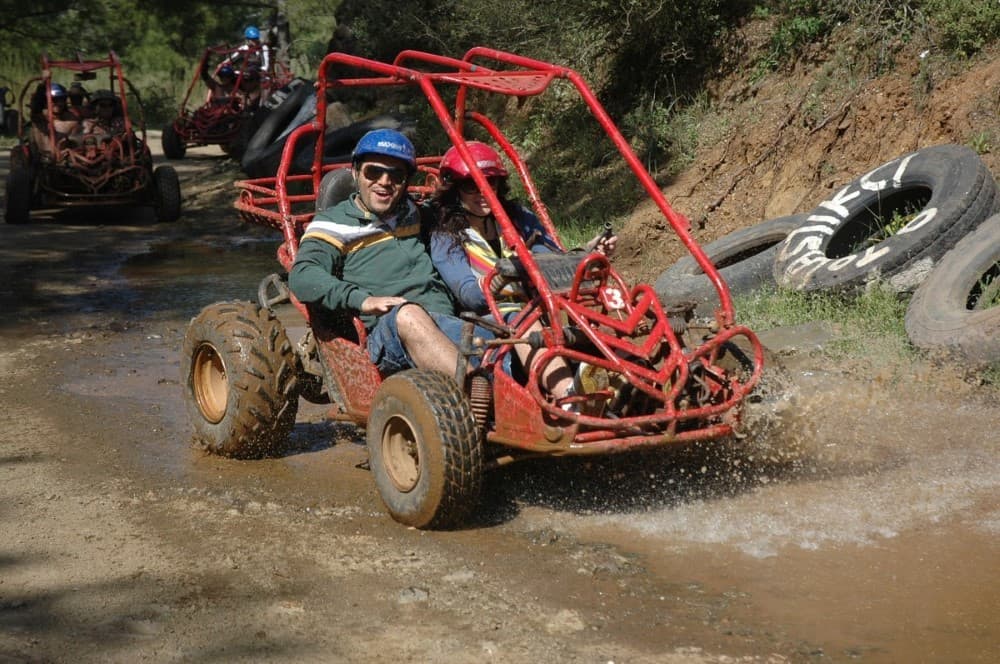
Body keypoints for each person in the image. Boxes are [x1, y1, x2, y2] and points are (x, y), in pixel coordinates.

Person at [288, 129, 492, 379]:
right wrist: (363, 300)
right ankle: (476, 396)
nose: (384, 181)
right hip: (389, 335)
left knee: (521, 327)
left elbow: (470, 210)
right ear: (355, 172)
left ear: (406, 181)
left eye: (395, 175)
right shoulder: (332, 224)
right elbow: (303, 276)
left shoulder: (416, 212)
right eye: (373, 172)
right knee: (408, 314)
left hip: (447, 323)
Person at [428, 141, 618, 405]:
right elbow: (469, 294)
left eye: (490, 182)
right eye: (472, 185)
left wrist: (588, 253)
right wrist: (505, 277)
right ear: (455, 190)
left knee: (598, 303)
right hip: (487, 324)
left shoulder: (517, 218)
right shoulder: (445, 236)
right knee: (522, 317)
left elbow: (549, 258)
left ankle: (633, 378)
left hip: (541, 309)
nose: (484, 192)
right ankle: (568, 396)